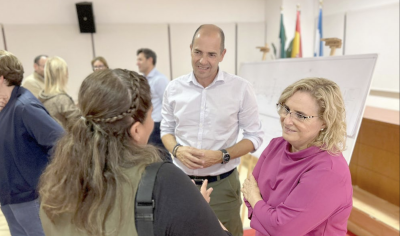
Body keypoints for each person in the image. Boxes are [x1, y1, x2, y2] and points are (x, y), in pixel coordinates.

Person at [38, 68, 232, 236]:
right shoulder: (163, 181)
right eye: (151, 114)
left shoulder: (55, 185)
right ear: (137, 130)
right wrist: (200, 212)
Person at [160, 24, 264, 236]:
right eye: (198, 52)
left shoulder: (240, 89)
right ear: (190, 48)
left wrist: (222, 155)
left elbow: (254, 136)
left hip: (222, 185)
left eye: (211, 54)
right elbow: (166, 130)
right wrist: (177, 150)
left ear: (223, 55)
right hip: (180, 183)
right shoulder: (173, 88)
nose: (203, 60)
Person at [241, 78, 353, 236]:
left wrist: (255, 199)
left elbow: (283, 229)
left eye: (300, 115)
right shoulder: (276, 145)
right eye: (286, 109)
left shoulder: (328, 170)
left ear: (325, 122)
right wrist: (263, 213)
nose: (287, 120)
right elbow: (248, 190)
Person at [0, 50, 64, 236]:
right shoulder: (6, 106)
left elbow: (61, 144)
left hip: (30, 196)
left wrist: (50, 183)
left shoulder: (24, 107)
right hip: (9, 196)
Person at [136, 48, 169, 152]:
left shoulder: (160, 80)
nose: (137, 63)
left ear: (150, 60)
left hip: (157, 125)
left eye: (140, 59)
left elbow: (168, 104)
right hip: (146, 124)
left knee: (161, 156)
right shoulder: (142, 79)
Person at [39, 56, 78, 128]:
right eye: (66, 70)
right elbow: (78, 124)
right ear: (62, 74)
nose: (68, 74)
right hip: (66, 138)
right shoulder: (62, 99)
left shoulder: (42, 97)